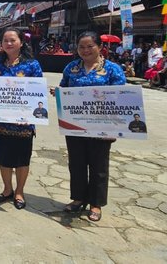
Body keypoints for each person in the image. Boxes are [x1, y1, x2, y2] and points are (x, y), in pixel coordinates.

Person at [55, 31, 126, 222]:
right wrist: (59, 93)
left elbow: (122, 98)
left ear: (99, 47)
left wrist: (115, 129)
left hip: (102, 127)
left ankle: (96, 203)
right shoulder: (72, 68)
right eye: (81, 47)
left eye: (89, 46)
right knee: (76, 163)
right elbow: (64, 88)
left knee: (98, 166)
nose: (85, 50)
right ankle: (78, 198)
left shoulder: (112, 70)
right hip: (75, 125)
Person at [0, 27, 43, 209]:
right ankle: (7, 189)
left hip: (23, 124)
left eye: (12, 40)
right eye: (5, 40)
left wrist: (31, 114)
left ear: (21, 42)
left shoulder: (32, 65)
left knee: (21, 159)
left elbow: (38, 93)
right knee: (3, 158)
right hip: (0, 122)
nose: (9, 43)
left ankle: (19, 191)